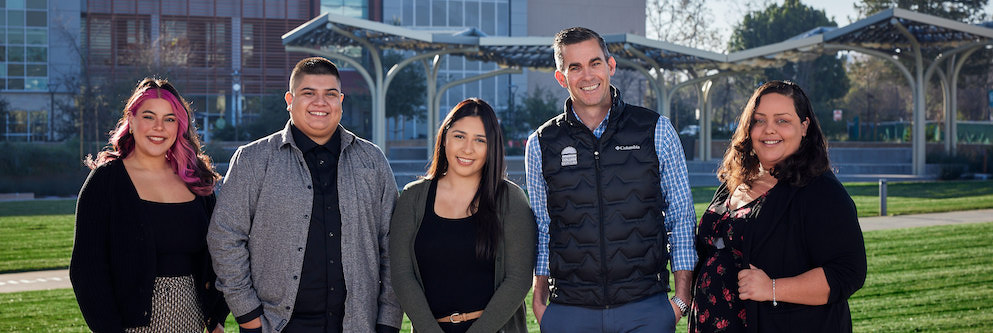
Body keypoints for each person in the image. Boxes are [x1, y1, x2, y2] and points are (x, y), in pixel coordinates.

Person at [207, 57, 402, 333]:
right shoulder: (253, 160)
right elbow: (224, 236)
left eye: (330, 94)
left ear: (341, 101)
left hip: (358, 325)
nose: (320, 103)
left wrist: (389, 321)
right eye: (308, 93)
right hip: (278, 326)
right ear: (290, 99)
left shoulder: (372, 161)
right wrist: (248, 316)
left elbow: (394, 246)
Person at [525, 27, 697, 332]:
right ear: (561, 77)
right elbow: (543, 227)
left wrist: (681, 298)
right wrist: (540, 304)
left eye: (595, 63)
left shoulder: (656, 130)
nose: (587, 75)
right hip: (569, 312)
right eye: (574, 67)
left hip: (646, 310)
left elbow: (681, 217)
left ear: (611, 66)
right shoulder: (540, 143)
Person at [690, 80, 867, 333]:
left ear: (804, 126)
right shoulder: (736, 182)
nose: (768, 130)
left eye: (782, 121)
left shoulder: (820, 191)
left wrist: (771, 288)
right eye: (759, 120)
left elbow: (848, 272)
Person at [70, 78, 229, 333]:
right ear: (131, 122)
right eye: (149, 116)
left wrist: (217, 316)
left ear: (179, 126)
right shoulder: (106, 182)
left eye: (169, 119)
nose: (159, 127)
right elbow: (86, 270)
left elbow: (221, 253)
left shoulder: (195, 180)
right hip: (131, 326)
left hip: (194, 321)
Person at [390, 98, 536, 333]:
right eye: (459, 136)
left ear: (492, 147)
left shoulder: (510, 199)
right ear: (444, 137)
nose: (467, 148)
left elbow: (518, 279)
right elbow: (401, 274)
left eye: (480, 140)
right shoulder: (412, 198)